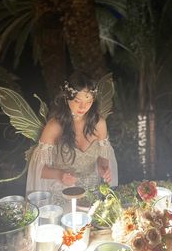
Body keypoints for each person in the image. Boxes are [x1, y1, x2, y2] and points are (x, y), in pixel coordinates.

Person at [26, 72, 118, 206]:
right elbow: (38, 169)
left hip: (91, 196)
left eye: (89, 101)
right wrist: (60, 175)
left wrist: (103, 167)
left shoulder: (99, 124)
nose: (83, 107)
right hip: (63, 195)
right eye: (77, 101)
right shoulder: (54, 126)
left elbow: (103, 157)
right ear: (66, 98)